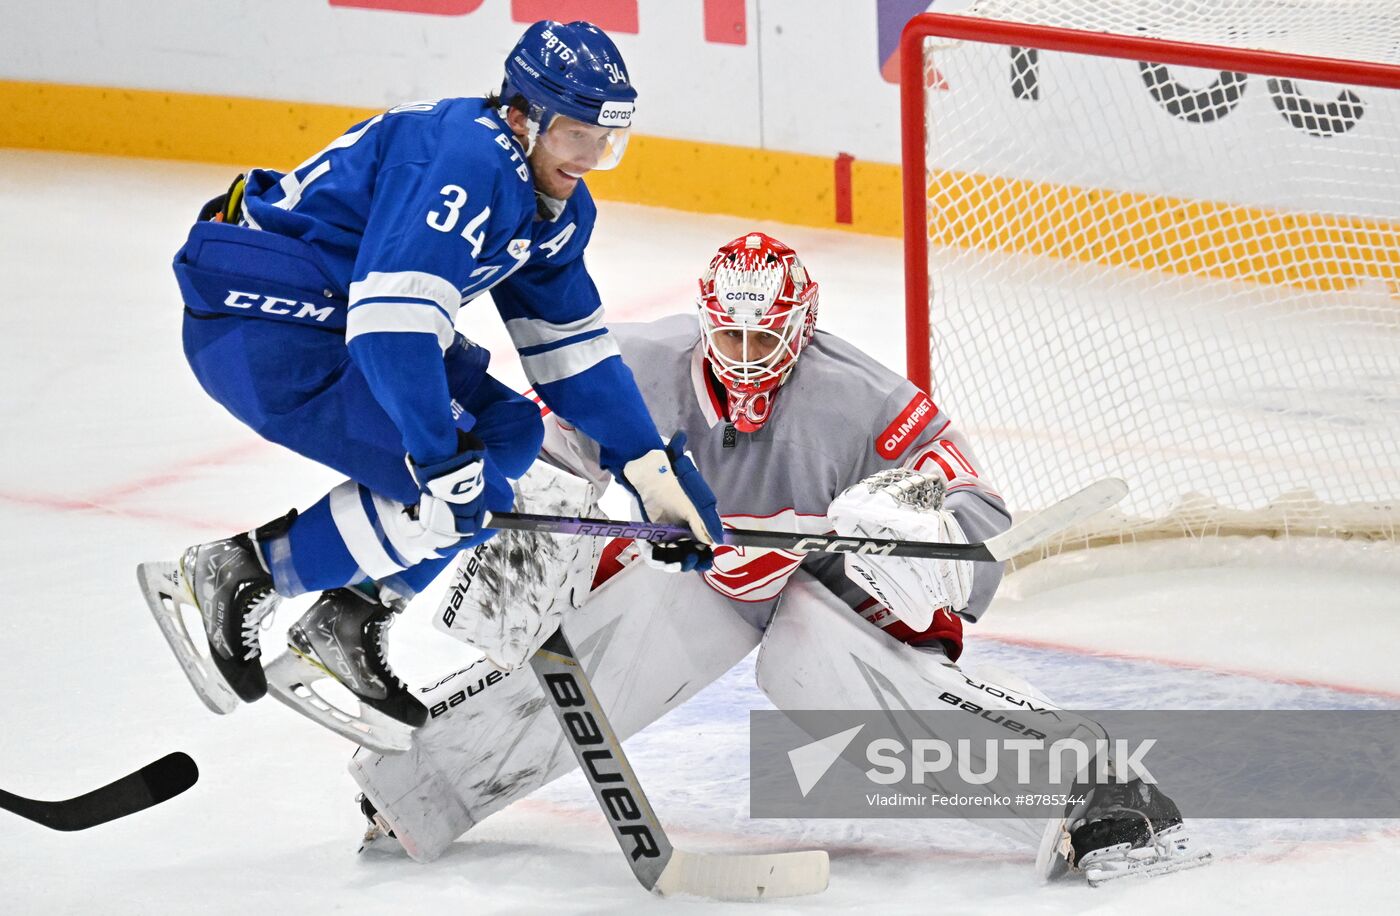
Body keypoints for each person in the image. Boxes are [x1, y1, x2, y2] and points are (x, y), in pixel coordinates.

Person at [348, 232, 1210, 886]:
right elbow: (535, 446)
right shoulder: (637, 363)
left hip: (826, 583)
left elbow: (977, 509)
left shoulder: (864, 398)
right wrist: (538, 506)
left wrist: (920, 534)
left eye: (768, 341)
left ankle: (1091, 785)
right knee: (609, 651)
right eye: (732, 338)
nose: (748, 358)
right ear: (707, 322)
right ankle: (421, 784)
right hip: (704, 566)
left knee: (848, 691)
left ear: (803, 327)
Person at [136, 20, 722, 752]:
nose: (590, 159)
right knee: (467, 483)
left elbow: (571, 352)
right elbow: (391, 330)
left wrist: (650, 467)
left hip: (334, 319)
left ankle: (347, 617)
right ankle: (242, 570)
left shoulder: (552, 203)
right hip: (262, 328)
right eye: (575, 136)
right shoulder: (469, 159)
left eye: (606, 141)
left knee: (512, 436)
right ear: (520, 114)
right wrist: (439, 465)